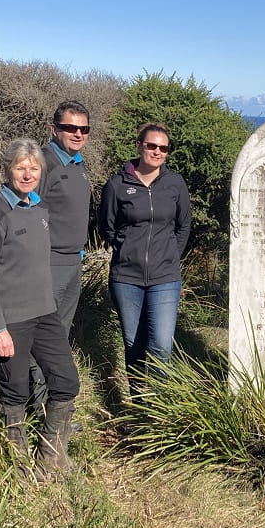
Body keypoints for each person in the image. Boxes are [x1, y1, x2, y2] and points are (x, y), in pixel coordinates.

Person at [0, 138, 80, 473]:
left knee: (66, 381)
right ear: (8, 169)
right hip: (11, 321)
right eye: (21, 167)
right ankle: (18, 469)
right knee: (15, 392)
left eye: (34, 167)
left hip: (44, 313)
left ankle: (50, 460)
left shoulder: (38, 209)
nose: (28, 173)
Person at [99, 123, 191, 374]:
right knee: (134, 345)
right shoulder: (117, 184)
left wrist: (170, 256)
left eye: (164, 148)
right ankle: (140, 405)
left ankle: (160, 408)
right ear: (139, 146)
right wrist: (126, 249)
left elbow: (183, 226)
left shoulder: (175, 183)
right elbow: (106, 226)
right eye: (151, 145)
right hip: (126, 278)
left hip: (165, 277)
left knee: (161, 346)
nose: (157, 151)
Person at [27, 101, 93, 413]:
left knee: (58, 339)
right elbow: (25, 211)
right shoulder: (44, 162)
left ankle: (52, 413)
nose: (77, 133)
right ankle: (36, 410)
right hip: (48, 265)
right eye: (70, 127)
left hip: (71, 263)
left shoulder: (76, 163)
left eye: (83, 129)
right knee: (43, 339)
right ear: (54, 129)